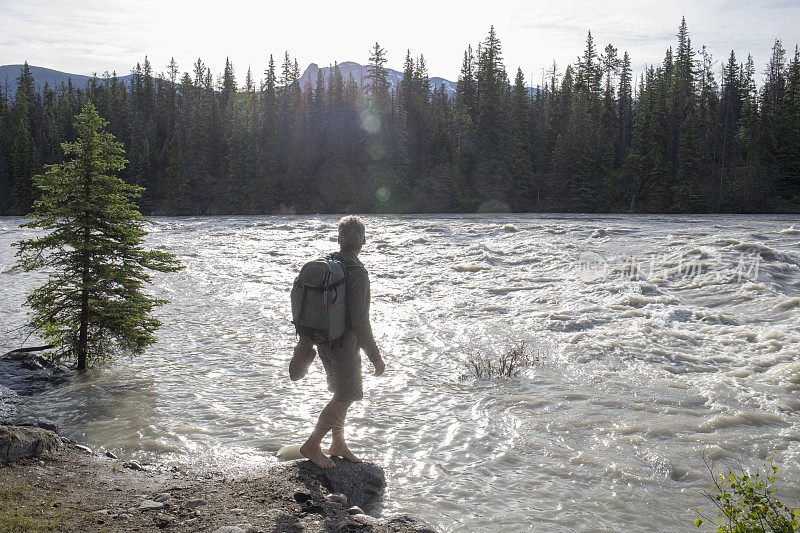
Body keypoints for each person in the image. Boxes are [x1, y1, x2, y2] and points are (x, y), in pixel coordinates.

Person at [292, 216, 386, 469]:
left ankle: (338, 444)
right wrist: (376, 357)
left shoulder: (329, 264)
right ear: (363, 241)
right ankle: (312, 444)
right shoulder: (357, 272)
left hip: (323, 340)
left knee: (339, 392)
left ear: (339, 239)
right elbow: (360, 321)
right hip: (344, 345)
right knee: (347, 394)